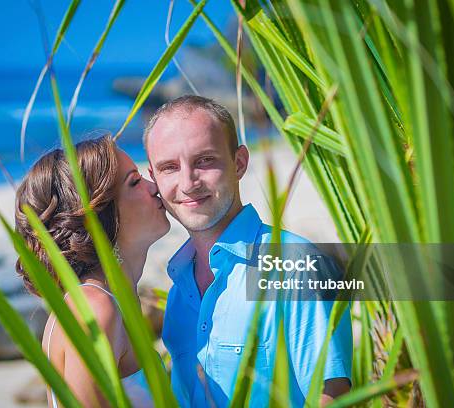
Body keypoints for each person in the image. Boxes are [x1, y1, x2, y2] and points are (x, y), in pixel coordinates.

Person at [144, 95, 353, 407]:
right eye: (170, 167)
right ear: (154, 179)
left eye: (204, 160)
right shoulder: (179, 288)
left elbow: (331, 397)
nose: (187, 183)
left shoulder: (297, 266)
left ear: (239, 162)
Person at [14, 135, 169, 407]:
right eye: (134, 182)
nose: (154, 187)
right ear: (100, 216)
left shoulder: (108, 300)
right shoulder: (96, 309)